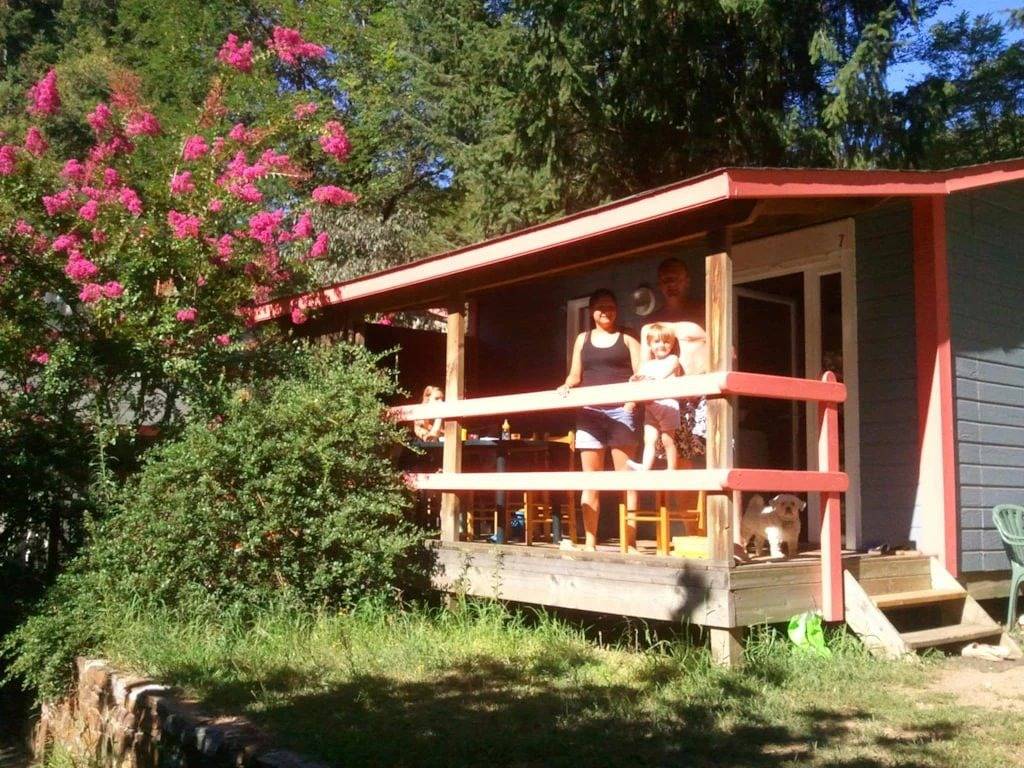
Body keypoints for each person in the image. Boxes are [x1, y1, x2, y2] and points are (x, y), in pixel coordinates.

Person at [557, 289, 640, 551]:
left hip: (621, 413)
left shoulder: (627, 338)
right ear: (592, 312)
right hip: (590, 413)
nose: (606, 311)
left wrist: (631, 403)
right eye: (601, 307)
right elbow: (574, 375)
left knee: (625, 481)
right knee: (591, 480)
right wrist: (566, 386)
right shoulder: (583, 339)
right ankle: (590, 541)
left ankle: (630, 541)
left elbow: (641, 375)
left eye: (611, 306)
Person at [625, 323, 682, 472]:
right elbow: (638, 378)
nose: (661, 345)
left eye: (666, 341)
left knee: (667, 439)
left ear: (672, 344)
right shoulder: (647, 364)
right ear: (650, 345)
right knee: (649, 438)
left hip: (667, 405)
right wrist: (635, 379)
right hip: (650, 405)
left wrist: (648, 379)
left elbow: (662, 375)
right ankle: (645, 466)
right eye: (657, 341)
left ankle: (671, 468)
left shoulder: (673, 359)